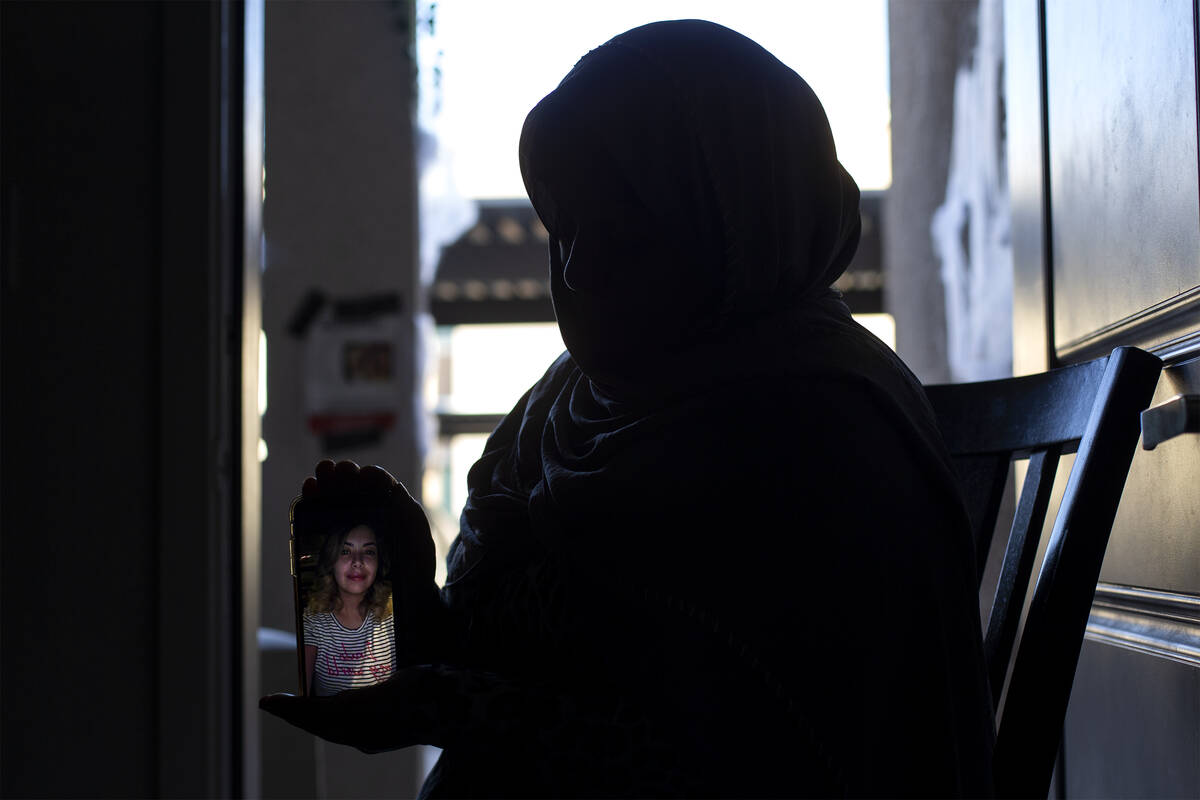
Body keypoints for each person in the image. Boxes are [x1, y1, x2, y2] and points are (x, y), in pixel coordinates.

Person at [263, 19, 995, 797]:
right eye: (561, 227)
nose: (573, 263)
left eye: (611, 226)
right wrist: (421, 616)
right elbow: (556, 665)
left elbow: (753, 763)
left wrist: (453, 704)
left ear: (727, 221)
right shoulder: (569, 405)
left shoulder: (818, 439)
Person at [302, 522, 396, 696]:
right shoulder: (312, 620)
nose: (357, 562)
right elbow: (302, 700)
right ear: (331, 561)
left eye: (368, 552)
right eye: (345, 551)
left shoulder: (394, 614)